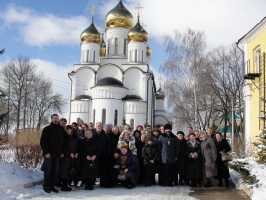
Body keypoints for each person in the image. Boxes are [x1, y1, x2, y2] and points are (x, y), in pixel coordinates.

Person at [40, 114, 65, 193]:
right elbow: (43, 142)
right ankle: (46, 186)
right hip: (49, 154)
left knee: (55, 171)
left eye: (57, 118)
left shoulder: (61, 129)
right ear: (51, 119)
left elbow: (63, 143)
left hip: (57, 154)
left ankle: (52, 186)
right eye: (54, 118)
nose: (56, 120)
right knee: (48, 170)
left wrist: (62, 152)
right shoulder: (47, 129)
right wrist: (46, 152)